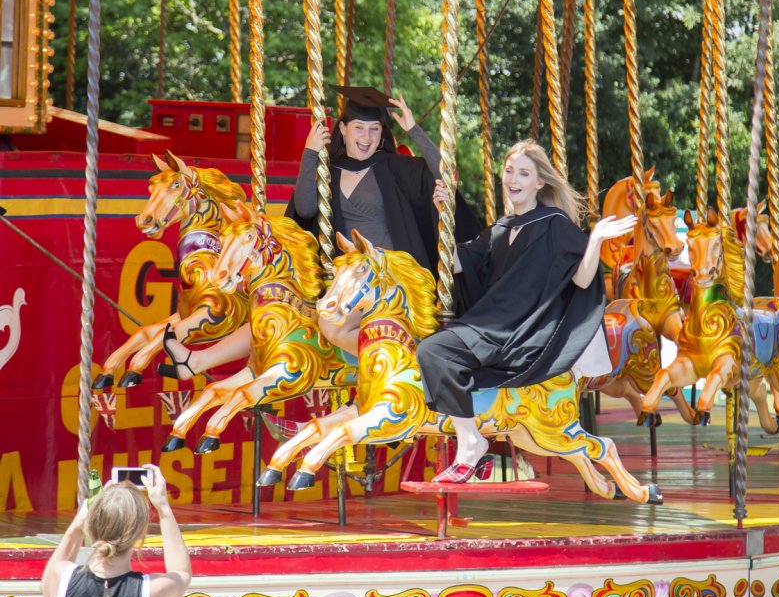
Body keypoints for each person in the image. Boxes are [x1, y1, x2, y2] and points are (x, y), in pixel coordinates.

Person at [162, 85, 480, 373]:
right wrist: (311, 153)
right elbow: (306, 209)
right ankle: (195, 362)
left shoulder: (394, 167)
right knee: (282, 308)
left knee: (326, 320)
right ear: (342, 128)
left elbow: (445, 174)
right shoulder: (331, 169)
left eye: (374, 129)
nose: (366, 137)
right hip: (347, 276)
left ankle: (401, 361)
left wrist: (413, 129)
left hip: (386, 274)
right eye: (359, 128)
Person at [416, 140, 637, 484]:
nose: (513, 179)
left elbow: (580, 280)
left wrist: (594, 240)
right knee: (431, 346)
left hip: (518, 331)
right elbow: (458, 264)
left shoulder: (555, 225)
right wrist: (440, 215)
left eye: (523, 173)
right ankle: (473, 435)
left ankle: (471, 441)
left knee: (433, 349)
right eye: (508, 172)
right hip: (487, 323)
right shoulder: (499, 229)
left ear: (540, 183)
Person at [41, 464, 191, 597]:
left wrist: (77, 526)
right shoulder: (153, 590)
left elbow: (47, 587)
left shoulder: (60, 576)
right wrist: (163, 508)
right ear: (139, 535)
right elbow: (181, 573)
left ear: (91, 525)